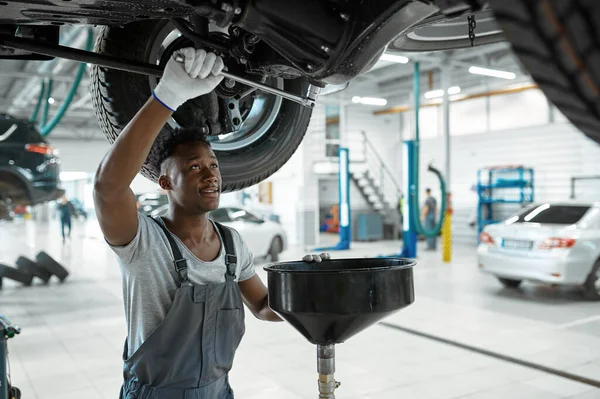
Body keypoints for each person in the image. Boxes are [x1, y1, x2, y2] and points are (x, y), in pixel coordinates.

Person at [93, 48, 329, 399]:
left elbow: (264, 307)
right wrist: (168, 95)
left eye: (213, 165)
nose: (210, 175)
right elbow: (107, 188)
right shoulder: (142, 242)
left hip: (219, 392)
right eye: (193, 167)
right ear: (164, 182)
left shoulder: (233, 245)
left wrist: (308, 292)